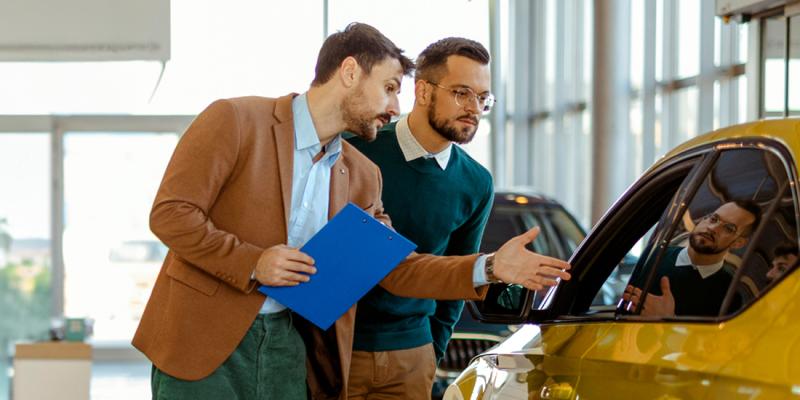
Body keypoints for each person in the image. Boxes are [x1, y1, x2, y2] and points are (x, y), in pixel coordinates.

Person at [133, 22, 571, 400]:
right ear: (348, 73)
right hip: (203, 341)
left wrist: (490, 267)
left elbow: (397, 269)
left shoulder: (361, 174)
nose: (396, 107)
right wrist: (254, 262)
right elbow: (171, 213)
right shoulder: (235, 119)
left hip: (290, 345)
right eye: (389, 88)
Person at [345, 37, 494, 399]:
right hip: (338, 347)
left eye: (482, 97)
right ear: (423, 91)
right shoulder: (355, 150)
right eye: (462, 93)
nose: (473, 107)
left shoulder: (476, 183)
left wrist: (433, 350)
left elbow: (457, 279)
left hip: (413, 357)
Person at [622, 200, 761, 317]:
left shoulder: (731, 292)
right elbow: (624, 311)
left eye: (729, 228)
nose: (712, 228)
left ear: (739, 243)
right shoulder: (655, 255)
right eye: (714, 219)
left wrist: (669, 321)